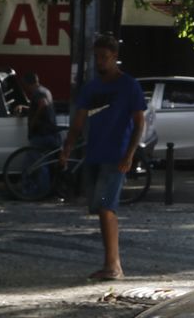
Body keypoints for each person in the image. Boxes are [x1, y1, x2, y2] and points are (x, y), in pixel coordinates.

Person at [62, 35, 146, 281]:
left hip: (116, 155)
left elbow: (139, 122)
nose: (100, 62)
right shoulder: (91, 88)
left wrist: (130, 154)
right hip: (95, 153)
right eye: (97, 57)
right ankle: (112, 263)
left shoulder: (129, 86)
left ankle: (113, 266)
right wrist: (67, 147)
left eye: (104, 57)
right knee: (101, 208)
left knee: (106, 207)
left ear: (115, 57)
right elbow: (78, 122)